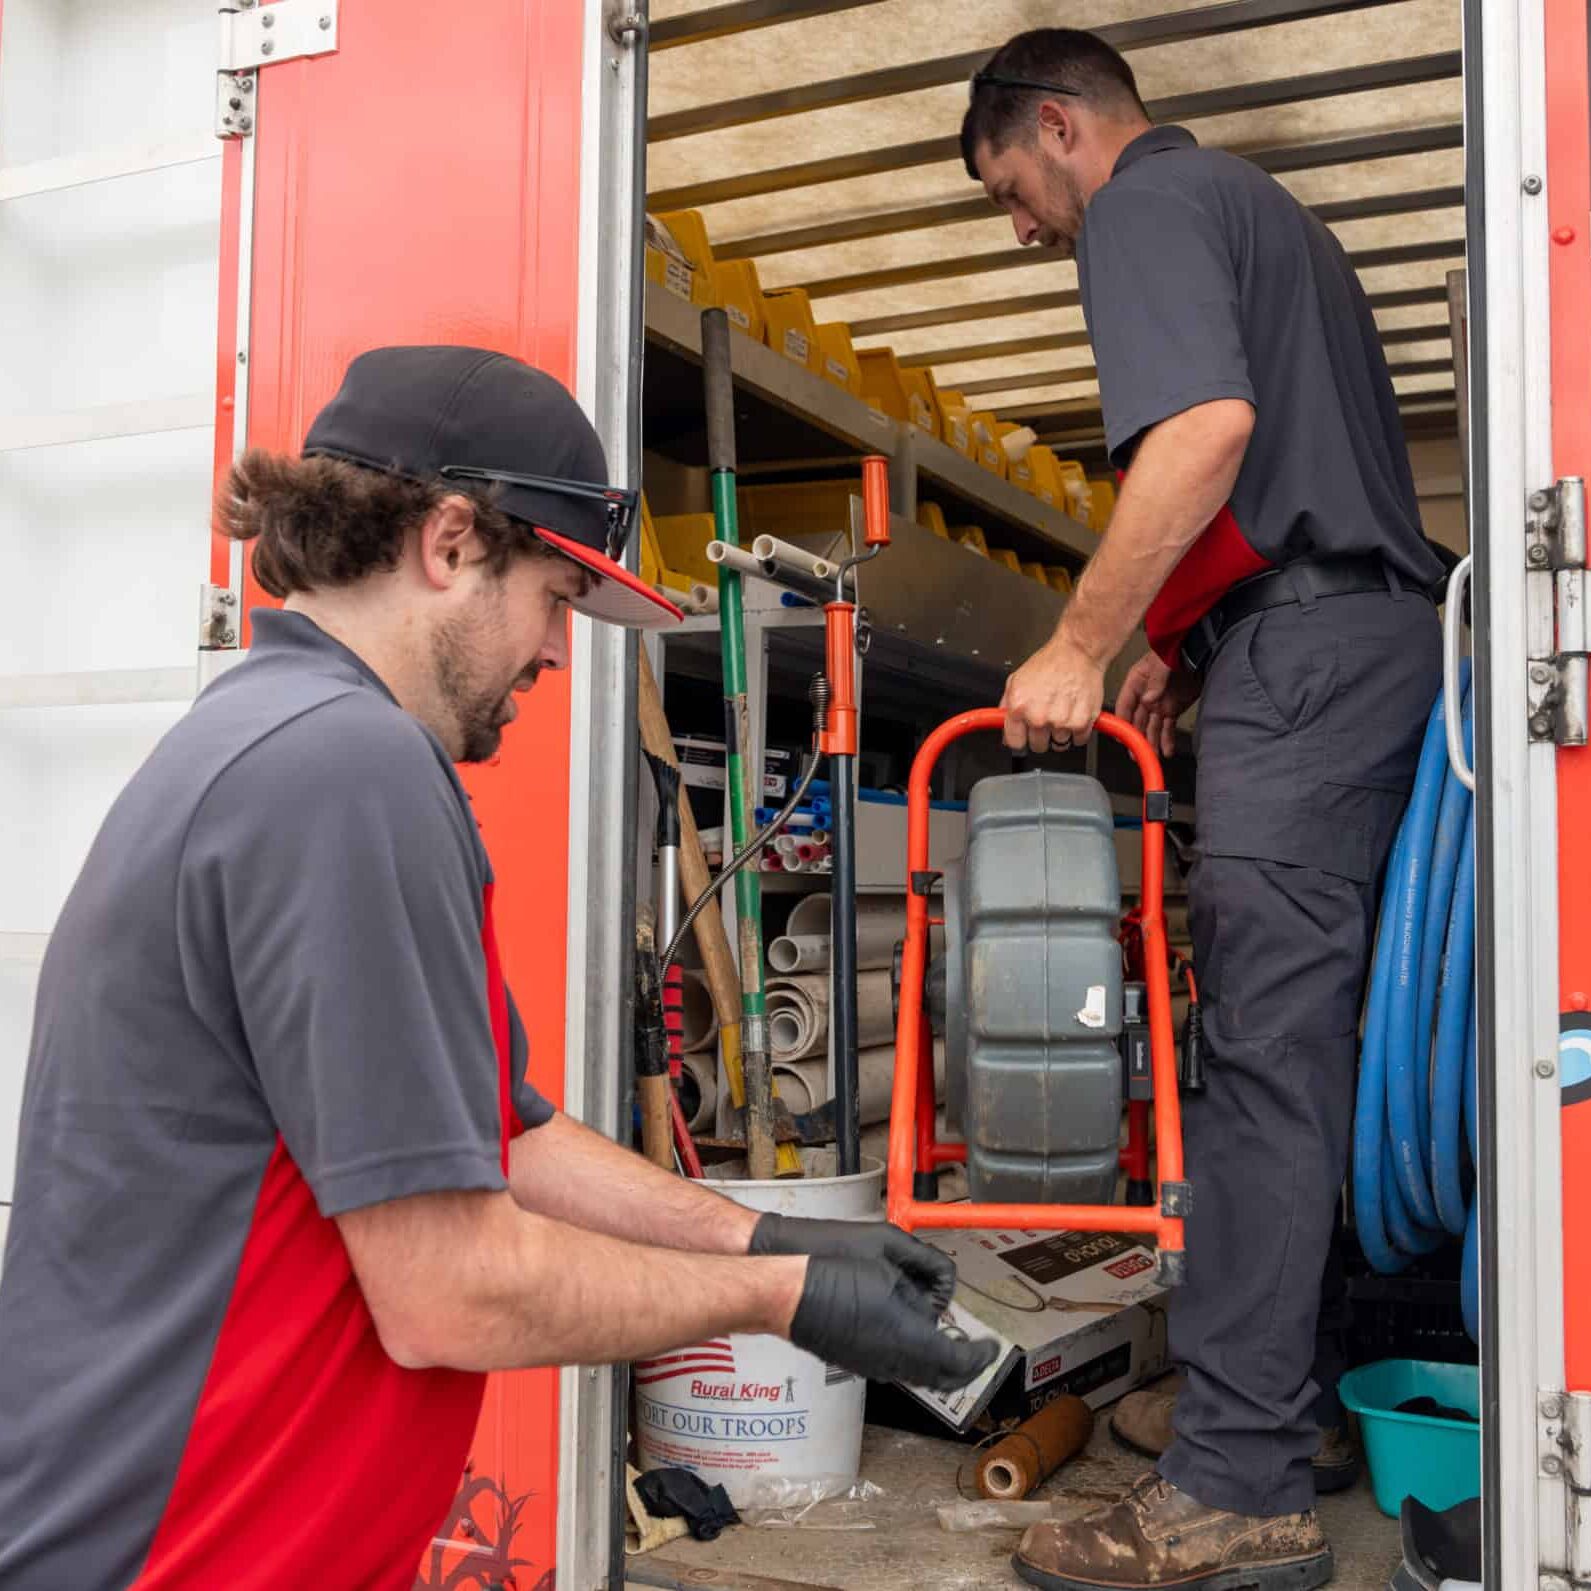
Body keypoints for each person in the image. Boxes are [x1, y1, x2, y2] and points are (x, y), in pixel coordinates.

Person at [0, 346, 996, 1591]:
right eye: (555, 598)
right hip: (184, 1553)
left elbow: (501, 1135)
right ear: (451, 541)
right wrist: (783, 1302)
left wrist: (757, 1233)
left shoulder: (278, 736)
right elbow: (449, 1291)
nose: (555, 655)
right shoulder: (344, 771)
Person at [961, 30, 1445, 1591]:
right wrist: (1189, 641)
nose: (1020, 230)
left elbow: (1204, 434)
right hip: (1344, 642)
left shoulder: (1143, 206)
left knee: (1259, 1063)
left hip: (1306, 669)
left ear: (1060, 125)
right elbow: (1288, 472)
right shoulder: (1263, 215)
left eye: (1011, 190)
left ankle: (1232, 1481)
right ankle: (1285, 1404)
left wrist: (1079, 640)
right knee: (1310, 1050)